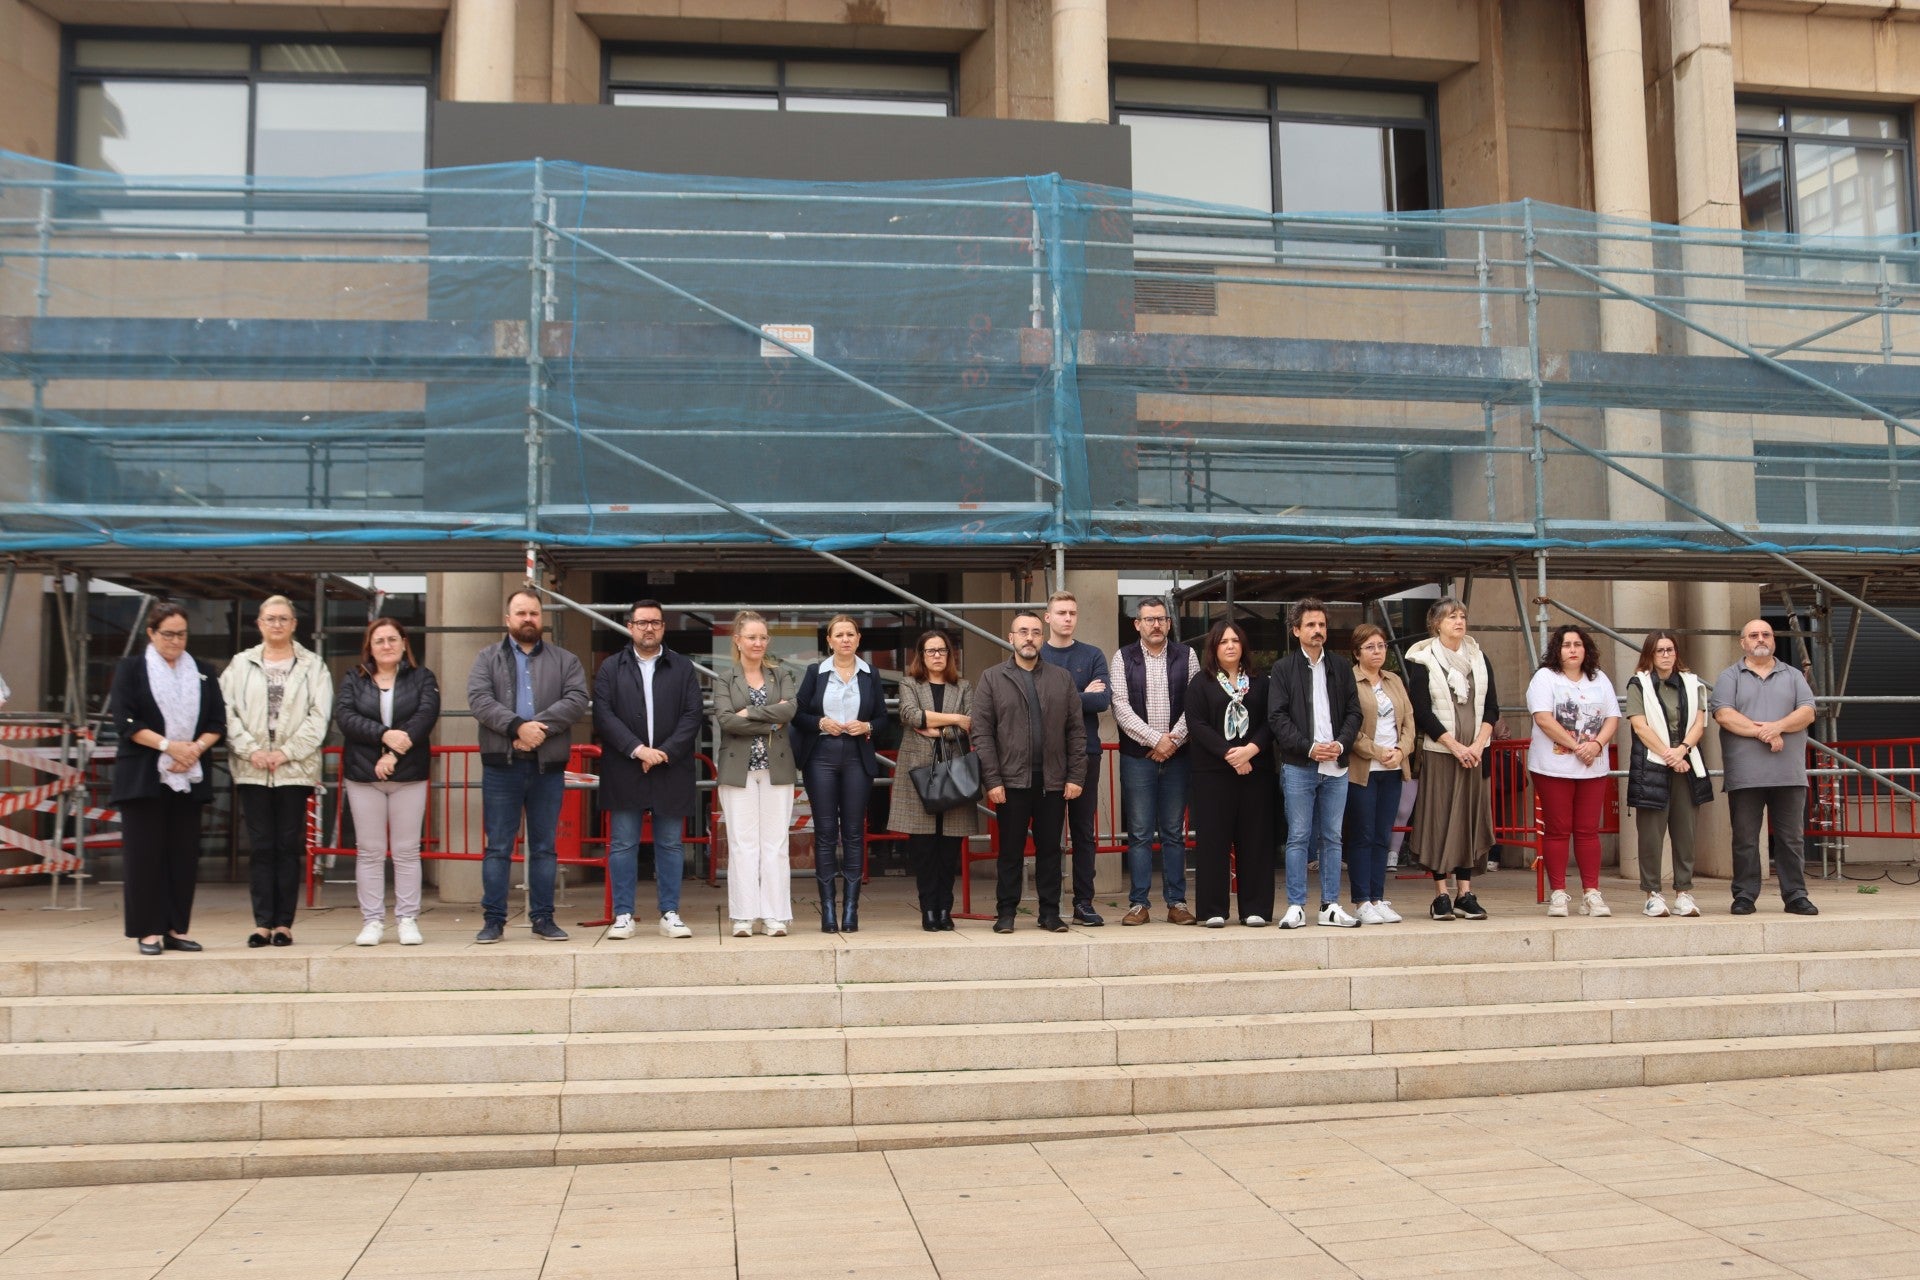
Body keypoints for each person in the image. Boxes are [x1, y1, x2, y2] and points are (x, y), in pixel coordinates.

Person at [467, 588, 590, 943]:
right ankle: (493, 920)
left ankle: (543, 918)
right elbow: (479, 700)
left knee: (544, 847)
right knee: (498, 847)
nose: (528, 619)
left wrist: (538, 729)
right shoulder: (486, 658)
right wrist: (515, 727)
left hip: (546, 767)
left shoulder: (565, 660)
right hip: (501, 766)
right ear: (508, 619)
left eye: (534, 613)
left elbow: (577, 699)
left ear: (542, 618)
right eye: (520, 613)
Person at [109, 602, 224, 956]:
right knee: (144, 857)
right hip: (144, 775)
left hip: (188, 775)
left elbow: (217, 723)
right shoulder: (131, 669)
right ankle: (147, 932)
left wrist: (192, 750)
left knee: (182, 856)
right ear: (151, 633)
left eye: (181, 634)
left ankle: (176, 928)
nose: (175, 641)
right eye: (168, 634)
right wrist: (168, 746)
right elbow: (124, 722)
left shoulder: (203, 671)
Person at [220, 595, 333, 949]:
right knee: (261, 845)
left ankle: (284, 924)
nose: (277, 624)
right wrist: (252, 750)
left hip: (294, 770)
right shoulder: (239, 665)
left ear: (294, 624)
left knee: (287, 844)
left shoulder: (314, 666)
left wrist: (285, 752)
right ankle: (262, 923)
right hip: (252, 769)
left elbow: (320, 716)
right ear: (259, 623)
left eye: (284, 618)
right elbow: (226, 711)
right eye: (270, 618)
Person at [595, 599, 706, 941]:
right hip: (625, 765)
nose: (649, 628)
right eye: (642, 622)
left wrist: (663, 752)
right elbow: (604, 714)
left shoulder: (683, 667)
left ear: (663, 627)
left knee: (671, 843)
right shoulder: (611, 668)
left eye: (655, 622)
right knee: (623, 842)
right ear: (630, 627)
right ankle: (624, 914)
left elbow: (692, 715)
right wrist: (638, 749)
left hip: (670, 767)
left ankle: (669, 912)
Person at [972, 611, 1086, 933]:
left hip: (1052, 781)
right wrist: (992, 780)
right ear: (1011, 638)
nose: (1030, 637)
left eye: (1036, 632)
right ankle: (1006, 912)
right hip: (1010, 781)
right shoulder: (992, 678)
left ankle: (1050, 913)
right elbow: (981, 732)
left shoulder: (1061, 678)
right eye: (1023, 632)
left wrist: (1076, 776)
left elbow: (1076, 731)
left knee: (1051, 849)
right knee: (1010, 850)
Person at [333, 617, 440, 946]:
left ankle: (407, 919)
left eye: (393, 639)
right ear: (370, 647)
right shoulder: (354, 678)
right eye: (379, 641)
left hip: (408, 775)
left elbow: (425, 716)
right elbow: (346, 717)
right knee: (369, 851)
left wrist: (392, 755)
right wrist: (385, 735)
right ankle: (372, 921)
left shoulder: (422, 678)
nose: (387, 646)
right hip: (363, 776)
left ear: (404, 643)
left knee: (407, 851)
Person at [1712, 619, 1819, 917]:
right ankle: (1745, 895)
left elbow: (1807, 712)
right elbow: (1724, 715)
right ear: (1743, 642)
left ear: (1773, 640)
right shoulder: (1729, 676)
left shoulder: (1794, 675)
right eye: (1754, 635)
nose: (1761, 639)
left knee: (1792, 838)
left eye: (1766, 634)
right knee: (1745, 839)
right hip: (1745, 774)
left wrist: (1778, 726)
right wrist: (1765, 733)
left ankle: (1796, 895)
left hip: (1789, 773)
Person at [791, 614, 890, 933]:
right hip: (821, 755)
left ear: (859, 639)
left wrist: (869, 726)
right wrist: (820, 722)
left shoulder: (869, 673)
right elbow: (798, 714)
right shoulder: (815, 672)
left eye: (851, 634)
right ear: (829, 641)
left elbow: (884, 718)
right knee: (824, 833)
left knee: (853, 833)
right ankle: (827, 911)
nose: (845, 639)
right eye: (839, 635)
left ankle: (850, 909)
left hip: (856, 756)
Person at [1268, 598, 1363, 929]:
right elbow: (1277, 717)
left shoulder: (1339, 667)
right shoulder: (1282, 669)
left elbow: (1354, 711)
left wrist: (1340, 744)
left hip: (1336, 766)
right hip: (1299, 765)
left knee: (1333, 838)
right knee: (1298, 836)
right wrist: (1309, 748)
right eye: (1310, 625)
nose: (1318, 630)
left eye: (1322, 625)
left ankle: (1330, 905)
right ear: (1296, 631)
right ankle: (1296, 905)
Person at [1403, 597, 1497, 922]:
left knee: (1468, 821)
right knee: (1440, 820)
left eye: (1462, 616)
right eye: (1451, 617)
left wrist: (1478, 745)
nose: (1459, 621)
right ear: (1436, 624)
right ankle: (1441, 895)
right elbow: (1421, 710)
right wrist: (1455, 746)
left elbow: (1492, 708)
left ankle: (1465, 893)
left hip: (1474, 755)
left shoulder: (1479, 658)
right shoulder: (1422, 659)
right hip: (1442, 753)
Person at [1109, 598, 1199, 925]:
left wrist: (1172, 740)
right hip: (1138, 757)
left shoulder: (1187, 656)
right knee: (1140, 831)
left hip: (1177, 755)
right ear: (1137, 624)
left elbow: (1195, 702)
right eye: (1148, 619)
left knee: (1174, 831)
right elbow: (1120, 707)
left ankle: (1177, 903)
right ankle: (1138, 904)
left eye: (1161, 619)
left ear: (1169, 623)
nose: (1155, 625)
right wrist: (1155, 739)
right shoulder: (1123, 657)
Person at [1184, 618, 1274, 927]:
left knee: (1256, 840)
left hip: (1255, 772)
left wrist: (1250, 751)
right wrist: (1229, 754)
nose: (1231, 646)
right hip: (1212, 774)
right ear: (1214, 647)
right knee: (1213, 841)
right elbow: (1196, 724)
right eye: (1224, 641)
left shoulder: (1261, 681)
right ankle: (1212, 909)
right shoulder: (1201, 682)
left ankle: (1256, 908)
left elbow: (1271, 721)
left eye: (1235, 640)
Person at [714, 610, 798, 937]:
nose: (758, 642)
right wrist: (769, 722)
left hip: (777, 766)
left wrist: (749, 712)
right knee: (742, 843)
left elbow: (789, 710)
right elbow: (725, 720)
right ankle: (744, 916)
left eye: (763, 637)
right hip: (738, 769)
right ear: (738, 640)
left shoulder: (782, 676)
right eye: (751, 637)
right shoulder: (725, 678)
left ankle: (776, 915)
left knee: (776, 844)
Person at [1528, 624, 1621, 918]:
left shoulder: (1599, 678)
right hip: (1553, 767)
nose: (1572, 649)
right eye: (1566, 644)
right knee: (1557, 830)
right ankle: (1558, 893)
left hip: (1592, 767)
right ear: (1557, 649)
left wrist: (1596, 745)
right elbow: (1543, 718)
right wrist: (1577, 745)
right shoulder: (1544, 678)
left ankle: (1591, 893)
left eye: (1578, 644)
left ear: (1586, 650)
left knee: (1587, 831)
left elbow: (1612, 718)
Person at [888, 628, 977, 931]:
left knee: (948, 848)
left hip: (954, 774)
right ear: (921, 655)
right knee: (924, 849)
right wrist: (953, 720)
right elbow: (911, 715)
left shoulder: (963, 686)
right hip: (919, 772)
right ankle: (928, 909)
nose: (937, 656)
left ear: (950, 655)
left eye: (942, 651)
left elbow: (970, 722)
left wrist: (936, 725)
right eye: (930, 651)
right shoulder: (909, 682)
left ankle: (944, 909)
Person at [1625, 630, 1712, 919]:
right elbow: (1640, 726)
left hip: (1686, 763)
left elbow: (1700, 723)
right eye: (1660, 650)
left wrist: (1682, 750)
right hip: (1652, 765)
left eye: (1670, 649)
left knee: (1685, 832)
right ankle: (1652, 894)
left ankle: (1683, 893)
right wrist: (1670, 755)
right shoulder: (1639, 684)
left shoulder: (1692, 683)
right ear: (1650, 654)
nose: (1665, 654)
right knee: (1650, 833)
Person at [1041, 590, 1112, 926]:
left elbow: (1103, 702)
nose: (1067, 618)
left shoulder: (1093, 654)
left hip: (1086, 753)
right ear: (1048, 617)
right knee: (1049, 833)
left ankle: (1084, 902)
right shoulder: (1037, 654)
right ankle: (1050, 905)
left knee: (1084, 832)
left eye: (1072, 612)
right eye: (1061, 612)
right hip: (1045, 757)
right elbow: (1035, 705)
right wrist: (1081, 695)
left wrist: (1060, 697)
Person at [1345, 624, 1413, 925]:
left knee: (1383, 835)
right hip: (1364, 770)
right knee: (1363, 834)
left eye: (1382, 645)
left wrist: (1400, 751)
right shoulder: (1349, 680)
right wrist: (1377, 752)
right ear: (1357, 651)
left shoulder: (1394, 680)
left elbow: (1409, 722)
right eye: (1370, 646)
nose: (1378, 651)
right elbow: (1348, 728)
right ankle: (1361, 900)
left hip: (1394, 767)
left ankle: (1377, 896)